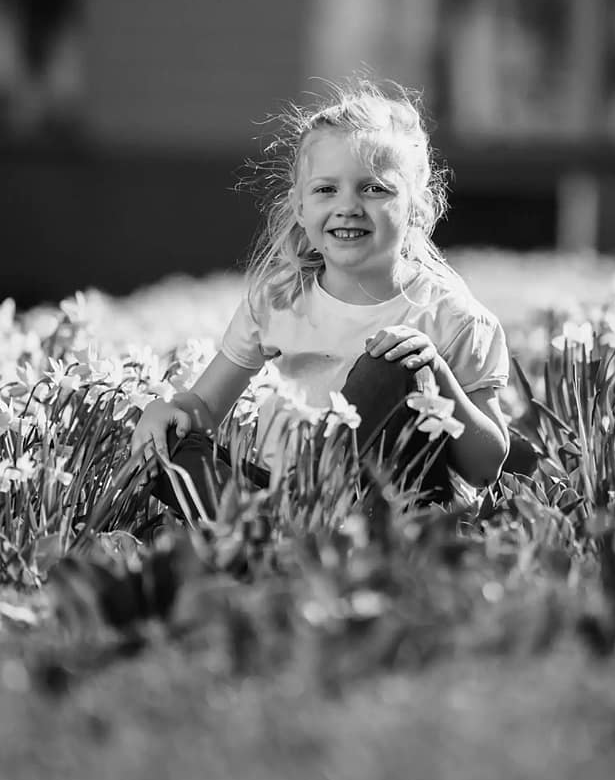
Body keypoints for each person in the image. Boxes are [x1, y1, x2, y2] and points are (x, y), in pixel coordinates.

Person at [130, 78, 510, 517]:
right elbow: (204, 407)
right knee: (162, 447)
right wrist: (169, 412)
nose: (348, 205)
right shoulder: (279, 300)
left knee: (394, 360)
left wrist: (434, 375)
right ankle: (288, 534)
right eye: (327, 190)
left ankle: (282, 540)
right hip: (287, 497)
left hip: (390, 508)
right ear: (300, 207)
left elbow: (485, 468)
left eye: (374, 188)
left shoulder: (450, 315)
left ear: (417, 209)